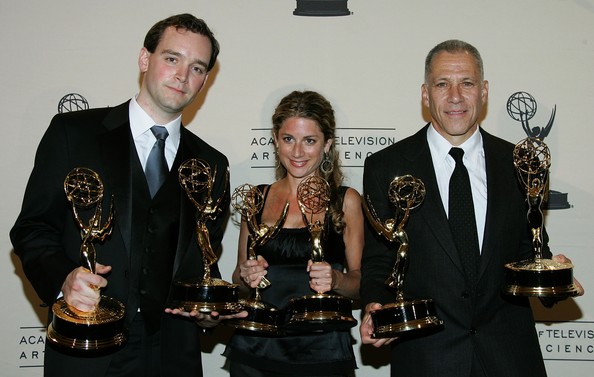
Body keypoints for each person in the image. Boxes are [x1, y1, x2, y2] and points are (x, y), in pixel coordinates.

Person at [10, 13, 244, 377]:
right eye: (172, 59)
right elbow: (32, 229)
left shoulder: (212, 165)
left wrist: (207, 313)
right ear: (144, 59)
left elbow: (203, 262)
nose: (183, 76)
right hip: (86, 349)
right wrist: (64, 280)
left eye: (197, 68)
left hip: (173, 355)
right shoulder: (74, 134)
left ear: (205, 81)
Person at [359, 39, 584, 377]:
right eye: (442, 84)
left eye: (466, 83)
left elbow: (531, 251)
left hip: (509, 358)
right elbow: (380, 259)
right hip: (426, 358)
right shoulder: (385, 167)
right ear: (425, 93)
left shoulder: (519, 164)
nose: (455, 96)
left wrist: (554, 279)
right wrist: (375, 305)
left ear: (484, 91)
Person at [221, 90, 364, 376]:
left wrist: (336, 279)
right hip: (255, 348)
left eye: (309, 140)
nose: (297, 152)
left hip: (322, 349)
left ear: (327, 145)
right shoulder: (256, 198)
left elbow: (360, 283)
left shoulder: (345, 201)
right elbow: (239, 281)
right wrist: (247, 277)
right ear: (275, 140)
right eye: (288, 139)